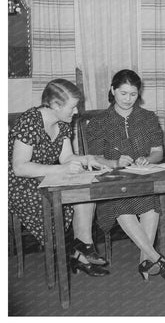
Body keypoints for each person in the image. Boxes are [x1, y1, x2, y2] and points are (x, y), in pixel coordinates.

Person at [8, 79, 110, 277]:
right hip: (18, 184)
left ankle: (84, 245)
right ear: (55, 105)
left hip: (47, 176)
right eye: (72, 108)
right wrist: (61, 169)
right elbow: (19, 167)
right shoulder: (30, 120)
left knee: (84, 190)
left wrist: (89, 159)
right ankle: (74, 252)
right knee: (51, 202)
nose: (76, 113)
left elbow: (67, 158)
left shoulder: (62, 123)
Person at [86, 69, 165, 280]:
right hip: (112, 182)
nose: (128, 99)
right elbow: (95, 158)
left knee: (151, 205)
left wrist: (148, 160)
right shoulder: (99, 122)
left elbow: (157, 152)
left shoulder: (148, 118)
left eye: (133, 94)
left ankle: (146, 261)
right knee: (121, 204)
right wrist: (115, 162)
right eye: (123, 93)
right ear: (112, 90)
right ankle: (156, 257)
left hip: (141, 177)